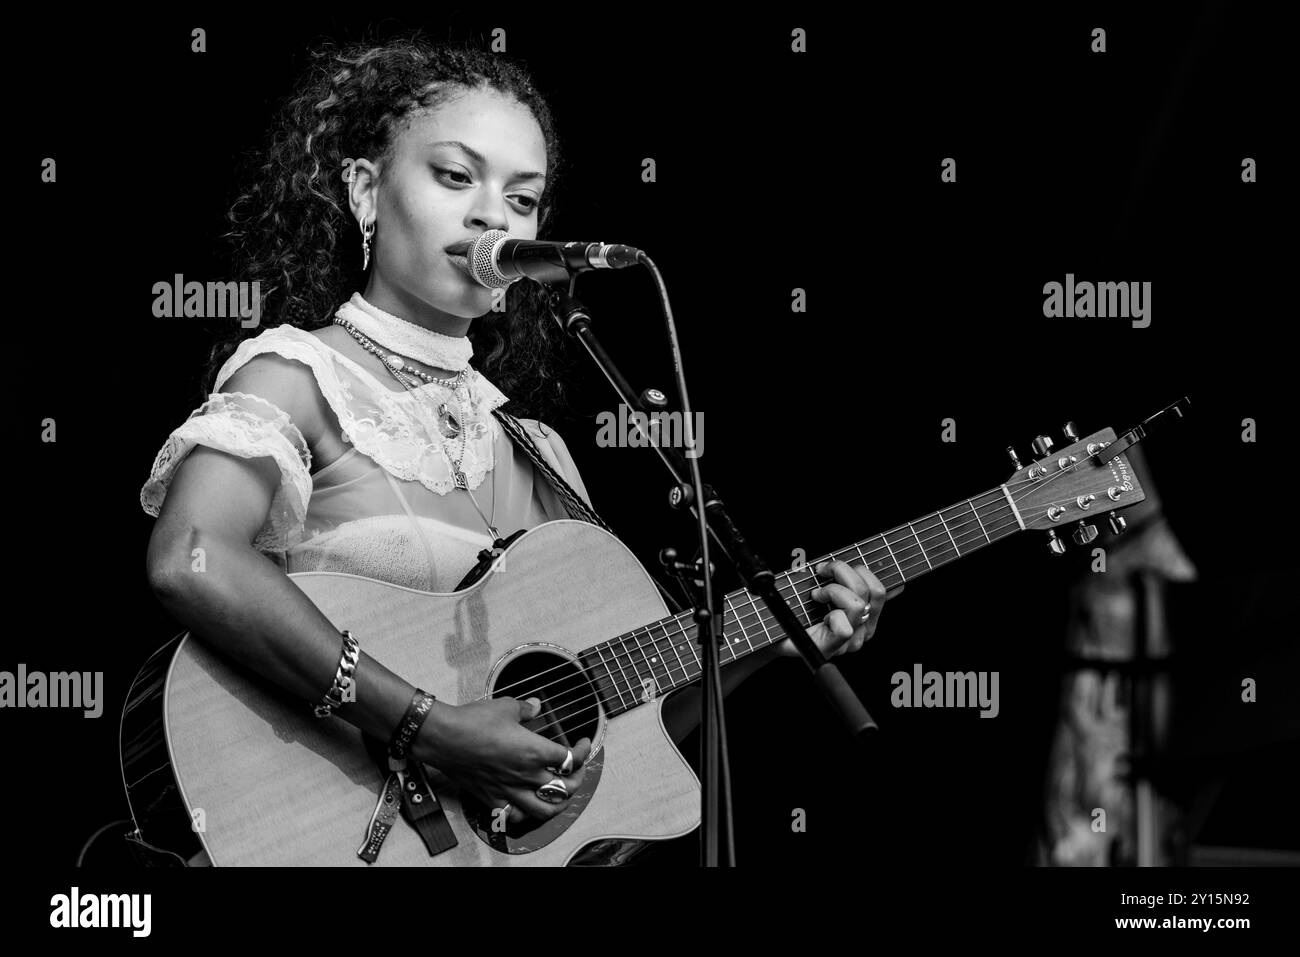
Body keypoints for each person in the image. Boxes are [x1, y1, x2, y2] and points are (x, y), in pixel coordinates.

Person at [140, 35, 891, 863]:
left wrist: (759, 647)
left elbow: (604, 745)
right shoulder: (299, 374)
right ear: (365, 190)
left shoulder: (536, 450)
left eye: (524, 199)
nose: (494, 216)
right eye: (456, 177)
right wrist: (429, 726)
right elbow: (191, 556)